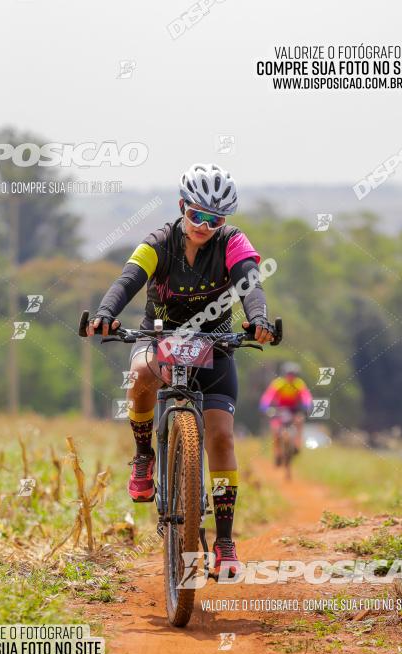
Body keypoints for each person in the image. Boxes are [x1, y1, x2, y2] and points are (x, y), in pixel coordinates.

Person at [87, 163, 279, 576]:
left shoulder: (233, 242)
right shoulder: (158, 240)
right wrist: (106, 312)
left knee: (222, 437)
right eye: (196, 215)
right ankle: (143, 456)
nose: (204, 225)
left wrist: (259, 319)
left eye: (215, 219)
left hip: (215, 341)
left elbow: (251, 284)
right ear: (181, 208)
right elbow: (128, 279)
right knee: (139, 376)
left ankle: (225, 543)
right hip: (160, 335)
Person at [259, 362, 312, 464]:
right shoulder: (279, 383)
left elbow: (306, 396)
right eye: (289, 374)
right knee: (275, 429)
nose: (291, 377)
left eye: (293, 375)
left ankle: (297, 445)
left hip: (294, 408)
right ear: (284, 374)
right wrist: (264, 407)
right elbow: (268, 396)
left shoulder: (299, 383)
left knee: (299, 420)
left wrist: (307, 406)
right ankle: (277, 453)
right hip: (280, 408)